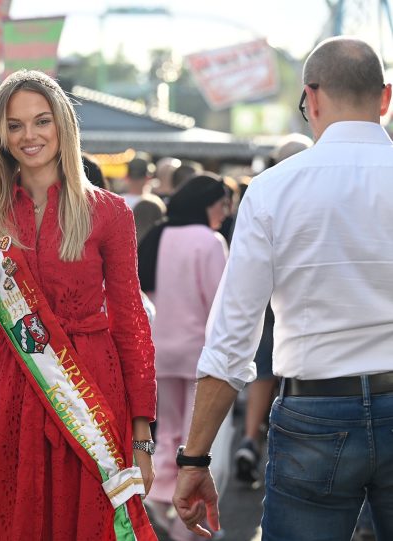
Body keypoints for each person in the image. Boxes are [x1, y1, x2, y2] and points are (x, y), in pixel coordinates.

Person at [172, 37, 393, 540]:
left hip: (315, 410)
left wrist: (195, 458)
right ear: (385, 98)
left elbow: (233, 337)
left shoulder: (274, 189)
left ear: (311, 99)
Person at [0, 70, 157, 540]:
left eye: (41, 121)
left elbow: (131, 327)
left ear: (63, 125)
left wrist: (141, 440)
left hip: (92, 393)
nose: (29, 136)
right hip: (9, 396)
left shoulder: (109, 212)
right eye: (15, 125)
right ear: (0, 134)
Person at [137, 175, 229, 541]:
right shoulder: (209, 241)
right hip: (199, 354)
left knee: (168, 432)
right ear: (207, 204)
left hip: (160, 349)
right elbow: (219, 304)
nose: (225, 212)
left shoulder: (159, 234)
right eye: (222, 204)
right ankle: (187, 521)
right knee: (199, 442)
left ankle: (160, 500)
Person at [233, 133, 312, 485]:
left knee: (262, 372)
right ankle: (296, 453)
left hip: (266, 301)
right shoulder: (317, 196)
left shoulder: (264, 192)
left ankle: (250, 440)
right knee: (299, 374)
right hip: (305, 303)